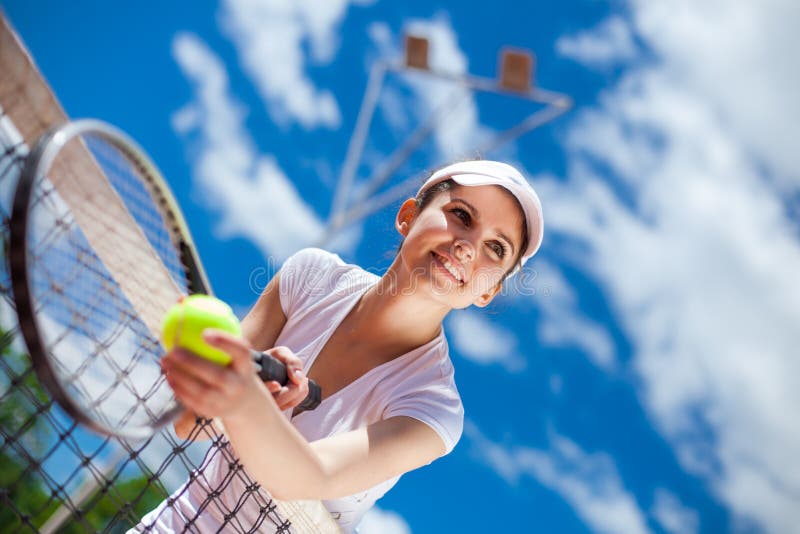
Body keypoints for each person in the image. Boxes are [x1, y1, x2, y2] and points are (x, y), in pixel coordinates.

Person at [134, 159, 543, 533]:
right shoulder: (309, 277)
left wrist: (248, 400)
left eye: (496, 248)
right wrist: (242, 385)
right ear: (408, 216)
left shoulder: (435, 410)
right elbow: (190, 425)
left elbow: (308, 477)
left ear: (488, 292)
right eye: (461, 215)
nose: (468, 246)